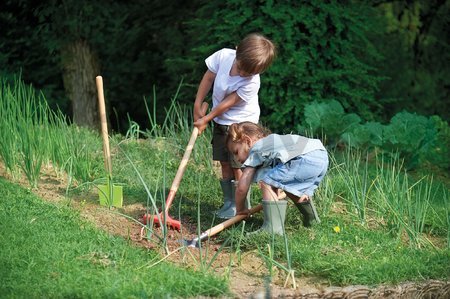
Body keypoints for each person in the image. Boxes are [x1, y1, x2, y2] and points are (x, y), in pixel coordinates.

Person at [193, 33, 276, 219]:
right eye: (241, 68)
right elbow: (208, 78)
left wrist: (207, 118)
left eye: (250, 73)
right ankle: (229, 204)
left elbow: (229, 102)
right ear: (237, 51)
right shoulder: (223, 56)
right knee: (223, 161)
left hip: (241, 123)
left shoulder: (253, 81)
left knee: (238, 165)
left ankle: (241, 206)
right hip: (221, 121)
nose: (244, 75)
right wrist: (197, 106)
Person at [226, 122, 329, 235]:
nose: (236, 158)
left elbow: (242, 187)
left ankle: (272, 229)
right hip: (321, 155)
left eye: (236, 152)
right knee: (287, 187)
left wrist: (240, 210)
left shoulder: (256, 150)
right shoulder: (272, 144)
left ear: (247, 141)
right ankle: (312, 220)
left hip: (303, 158)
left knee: (267, 182)